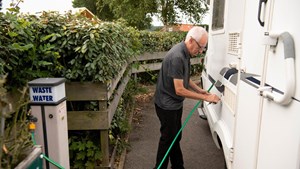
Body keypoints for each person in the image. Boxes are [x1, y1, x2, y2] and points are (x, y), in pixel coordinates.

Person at [153, 26, 220, 169]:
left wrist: (200, 91)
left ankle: (178, 166)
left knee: (175, 137)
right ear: (191, 40)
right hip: (166, 106)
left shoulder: (185, 53)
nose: (201, 51)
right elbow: (180, 89)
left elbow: (185, 78)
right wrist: (205, 98)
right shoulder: (177, 56)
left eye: (203, 48)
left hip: (174, 104)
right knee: (168, 139)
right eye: (200, 47)